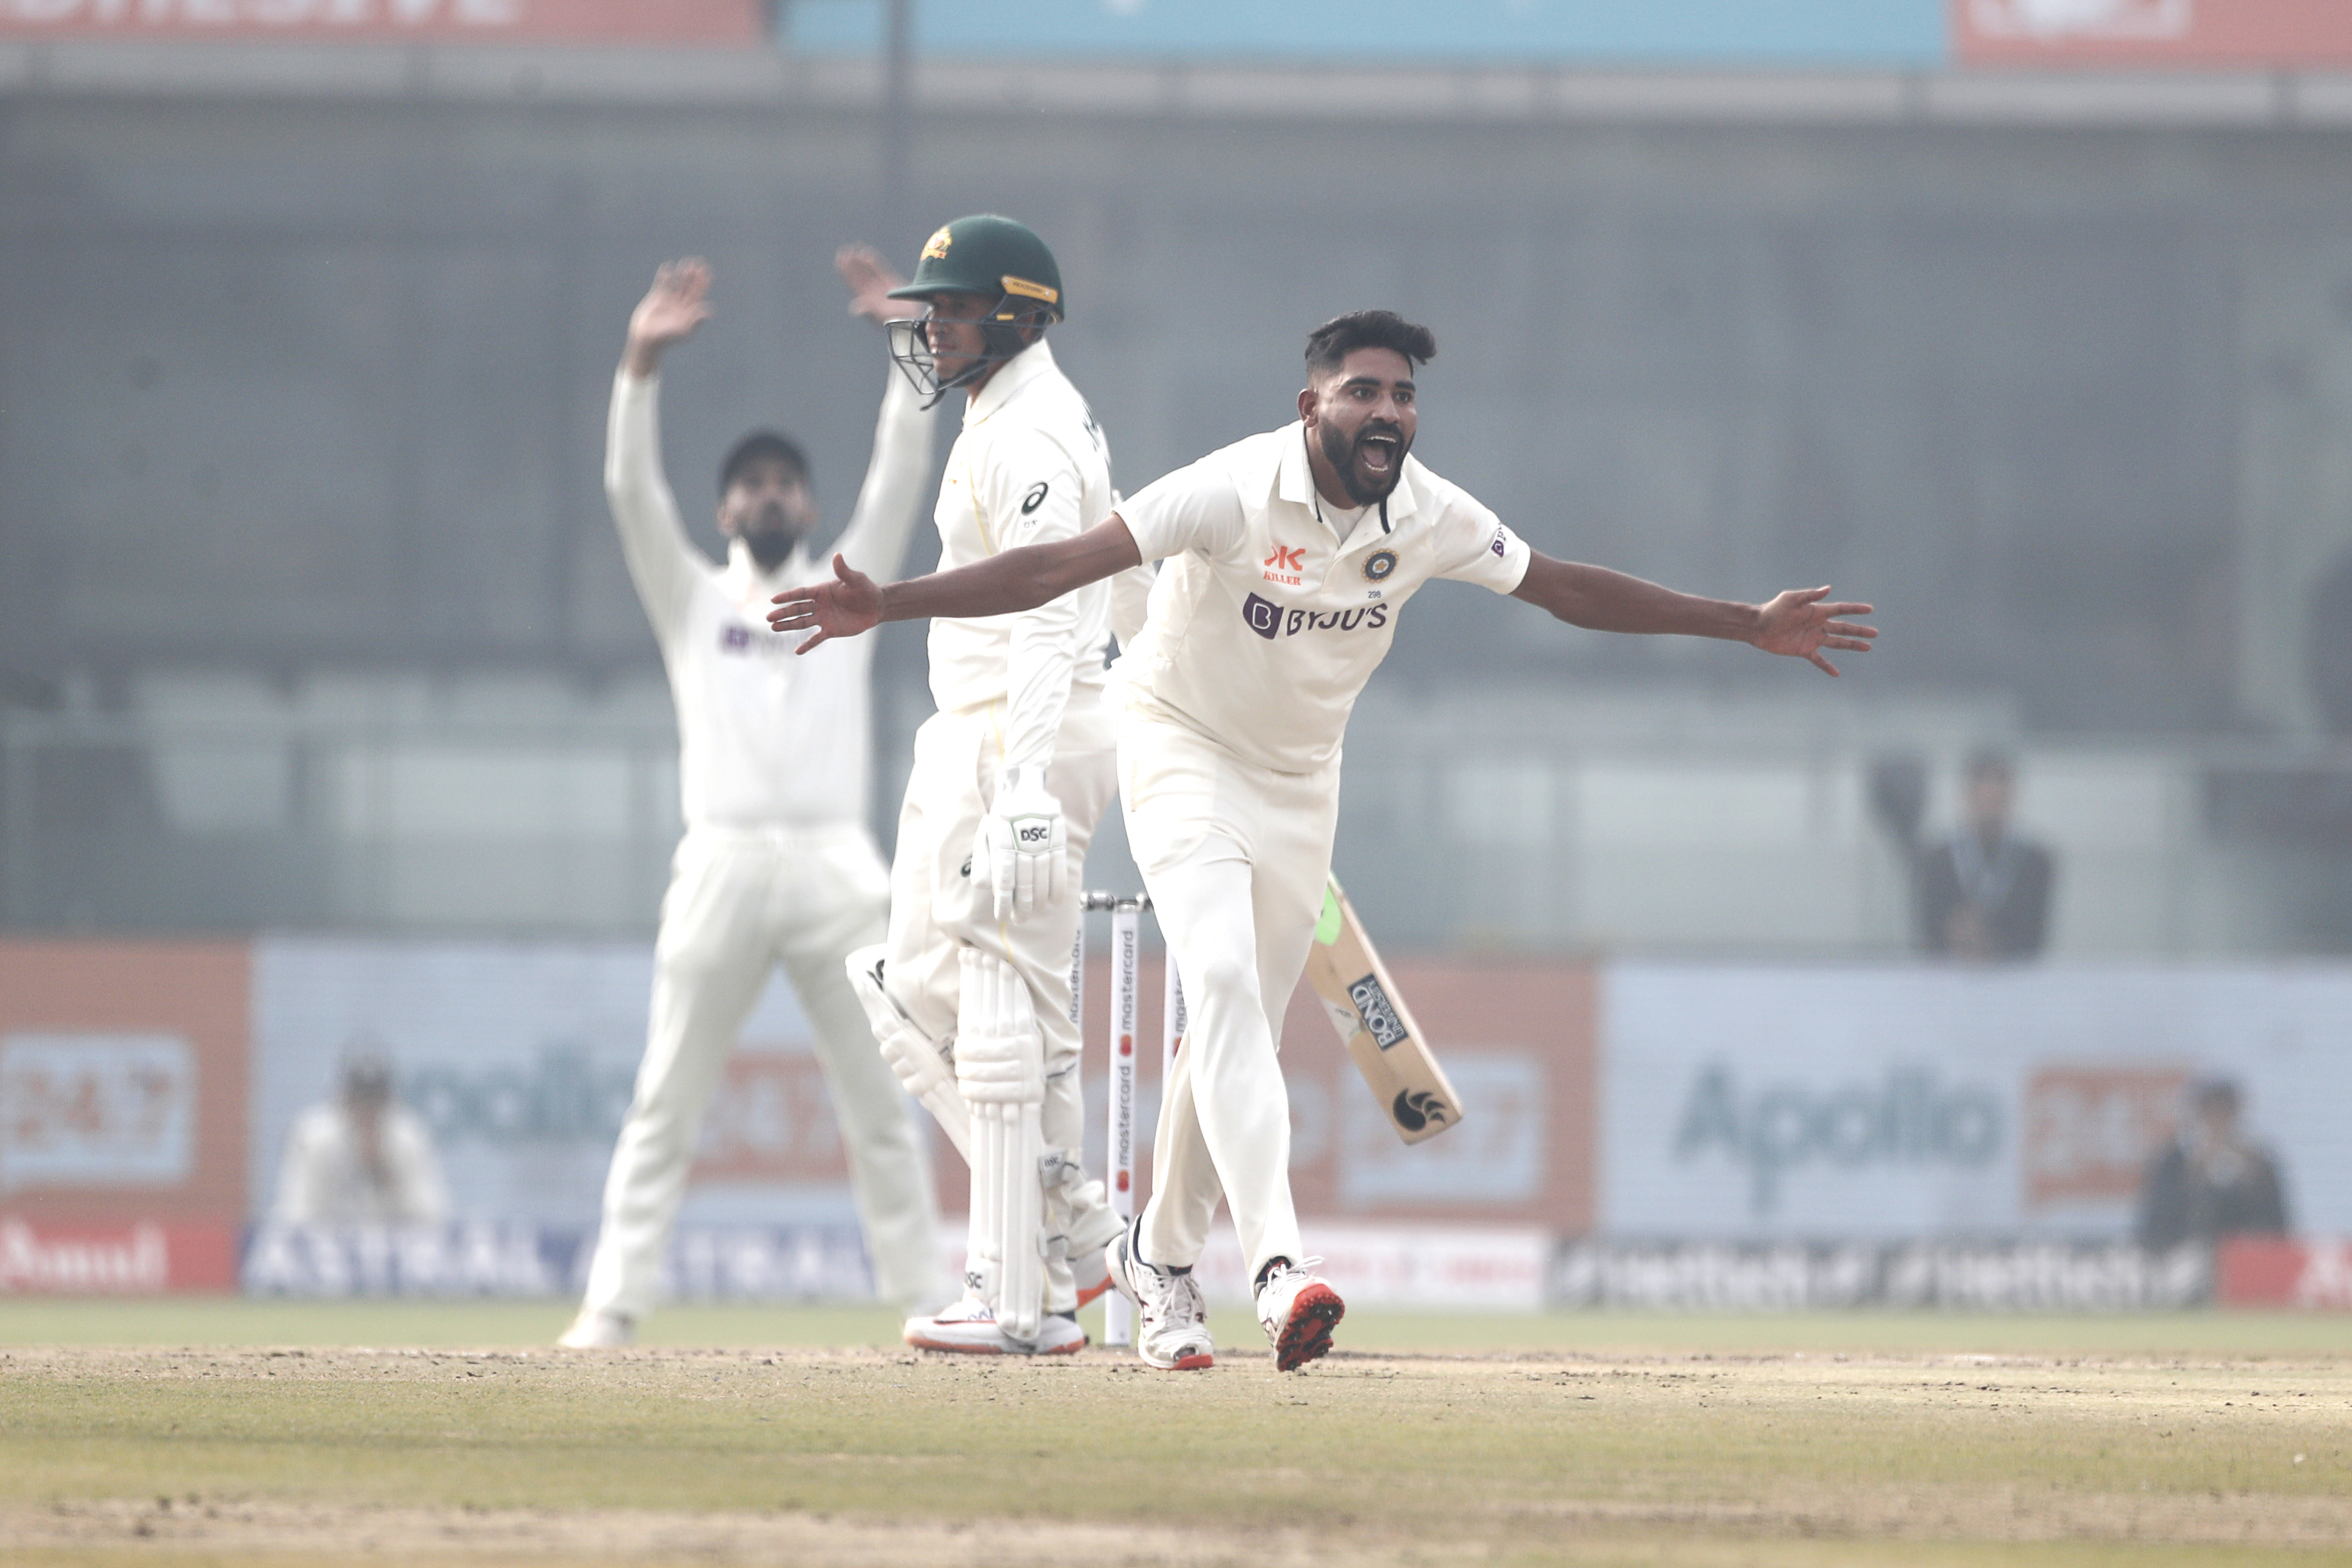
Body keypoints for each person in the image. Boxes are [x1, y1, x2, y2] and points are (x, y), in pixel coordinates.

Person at [771, 308, 1876, 1371]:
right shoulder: (1231, 488)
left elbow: (1565, 588)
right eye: (1362, 392)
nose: (1387, 410)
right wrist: (891, 603)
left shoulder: (1430, 513)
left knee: (1231, 1029)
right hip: (1180, 744)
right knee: (1218, 982)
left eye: (1403, 394)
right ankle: (1279, 1268)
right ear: (1312, 407)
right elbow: (1057, 566)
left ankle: (1160, 1260)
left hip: (1303, 781)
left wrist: (1746, 624)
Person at [558, 250, 950, 1349]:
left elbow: (901, 469)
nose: (769, 494)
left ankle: (927, 1300)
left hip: (836, 867)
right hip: (720, 862)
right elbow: (630, 493)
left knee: (881, 1099)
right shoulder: (691, 598)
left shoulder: (847, 588)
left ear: (808, 505)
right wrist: (638, 367)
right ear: (726, 507)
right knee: (666, 1098)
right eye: (751, 484)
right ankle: (611, 1305)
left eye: (785, 482)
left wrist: (907, 346)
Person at [842, 213, 1135, 1358]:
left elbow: (1053, 609)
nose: (933, 331)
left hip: (1019, 735)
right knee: (906, 994)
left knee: (1007, 1009)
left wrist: (1022, 781)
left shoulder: (1037, 431)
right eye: (931, 313)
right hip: (979, 730)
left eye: (954, 311)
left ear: (1017, 316)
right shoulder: (1002, 411)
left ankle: (1016, 1292)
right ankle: (1072, 1233)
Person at [271, 1054, 448, 1227]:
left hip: (395, 1243)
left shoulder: (409, 1138)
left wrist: (386, 1176)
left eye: (376, 1099)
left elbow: (434, 1216)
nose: (367, 1109)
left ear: (389, 1101)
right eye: (359, 1099)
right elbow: (293, 1216)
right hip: (325, 1242)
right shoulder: (315, 1137)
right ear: (342, 1099)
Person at [1917, 751, 2055, 961]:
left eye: (1998, 798)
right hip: (1950, 975)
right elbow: (1929, 935)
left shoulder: (2036, 863)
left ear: (2011, 797)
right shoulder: (1937, 861)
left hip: (2014, 975)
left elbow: (2033, 939)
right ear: (1968, 796)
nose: (1991, 805)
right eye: (1984, 796)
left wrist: (1991, 941)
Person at [2133, 1078, 2291, 1252]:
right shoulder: (2173, 1163)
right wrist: (2192, 1175)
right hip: (2186, 1257)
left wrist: (2253, 1183)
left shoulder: (2259, 1164)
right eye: (2211, 1113)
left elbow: (2278, 1230)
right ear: (2198, 1116)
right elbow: (2156, 1226)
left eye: (2225, 1114)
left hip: (2245, 1258)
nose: (2218, 1122)